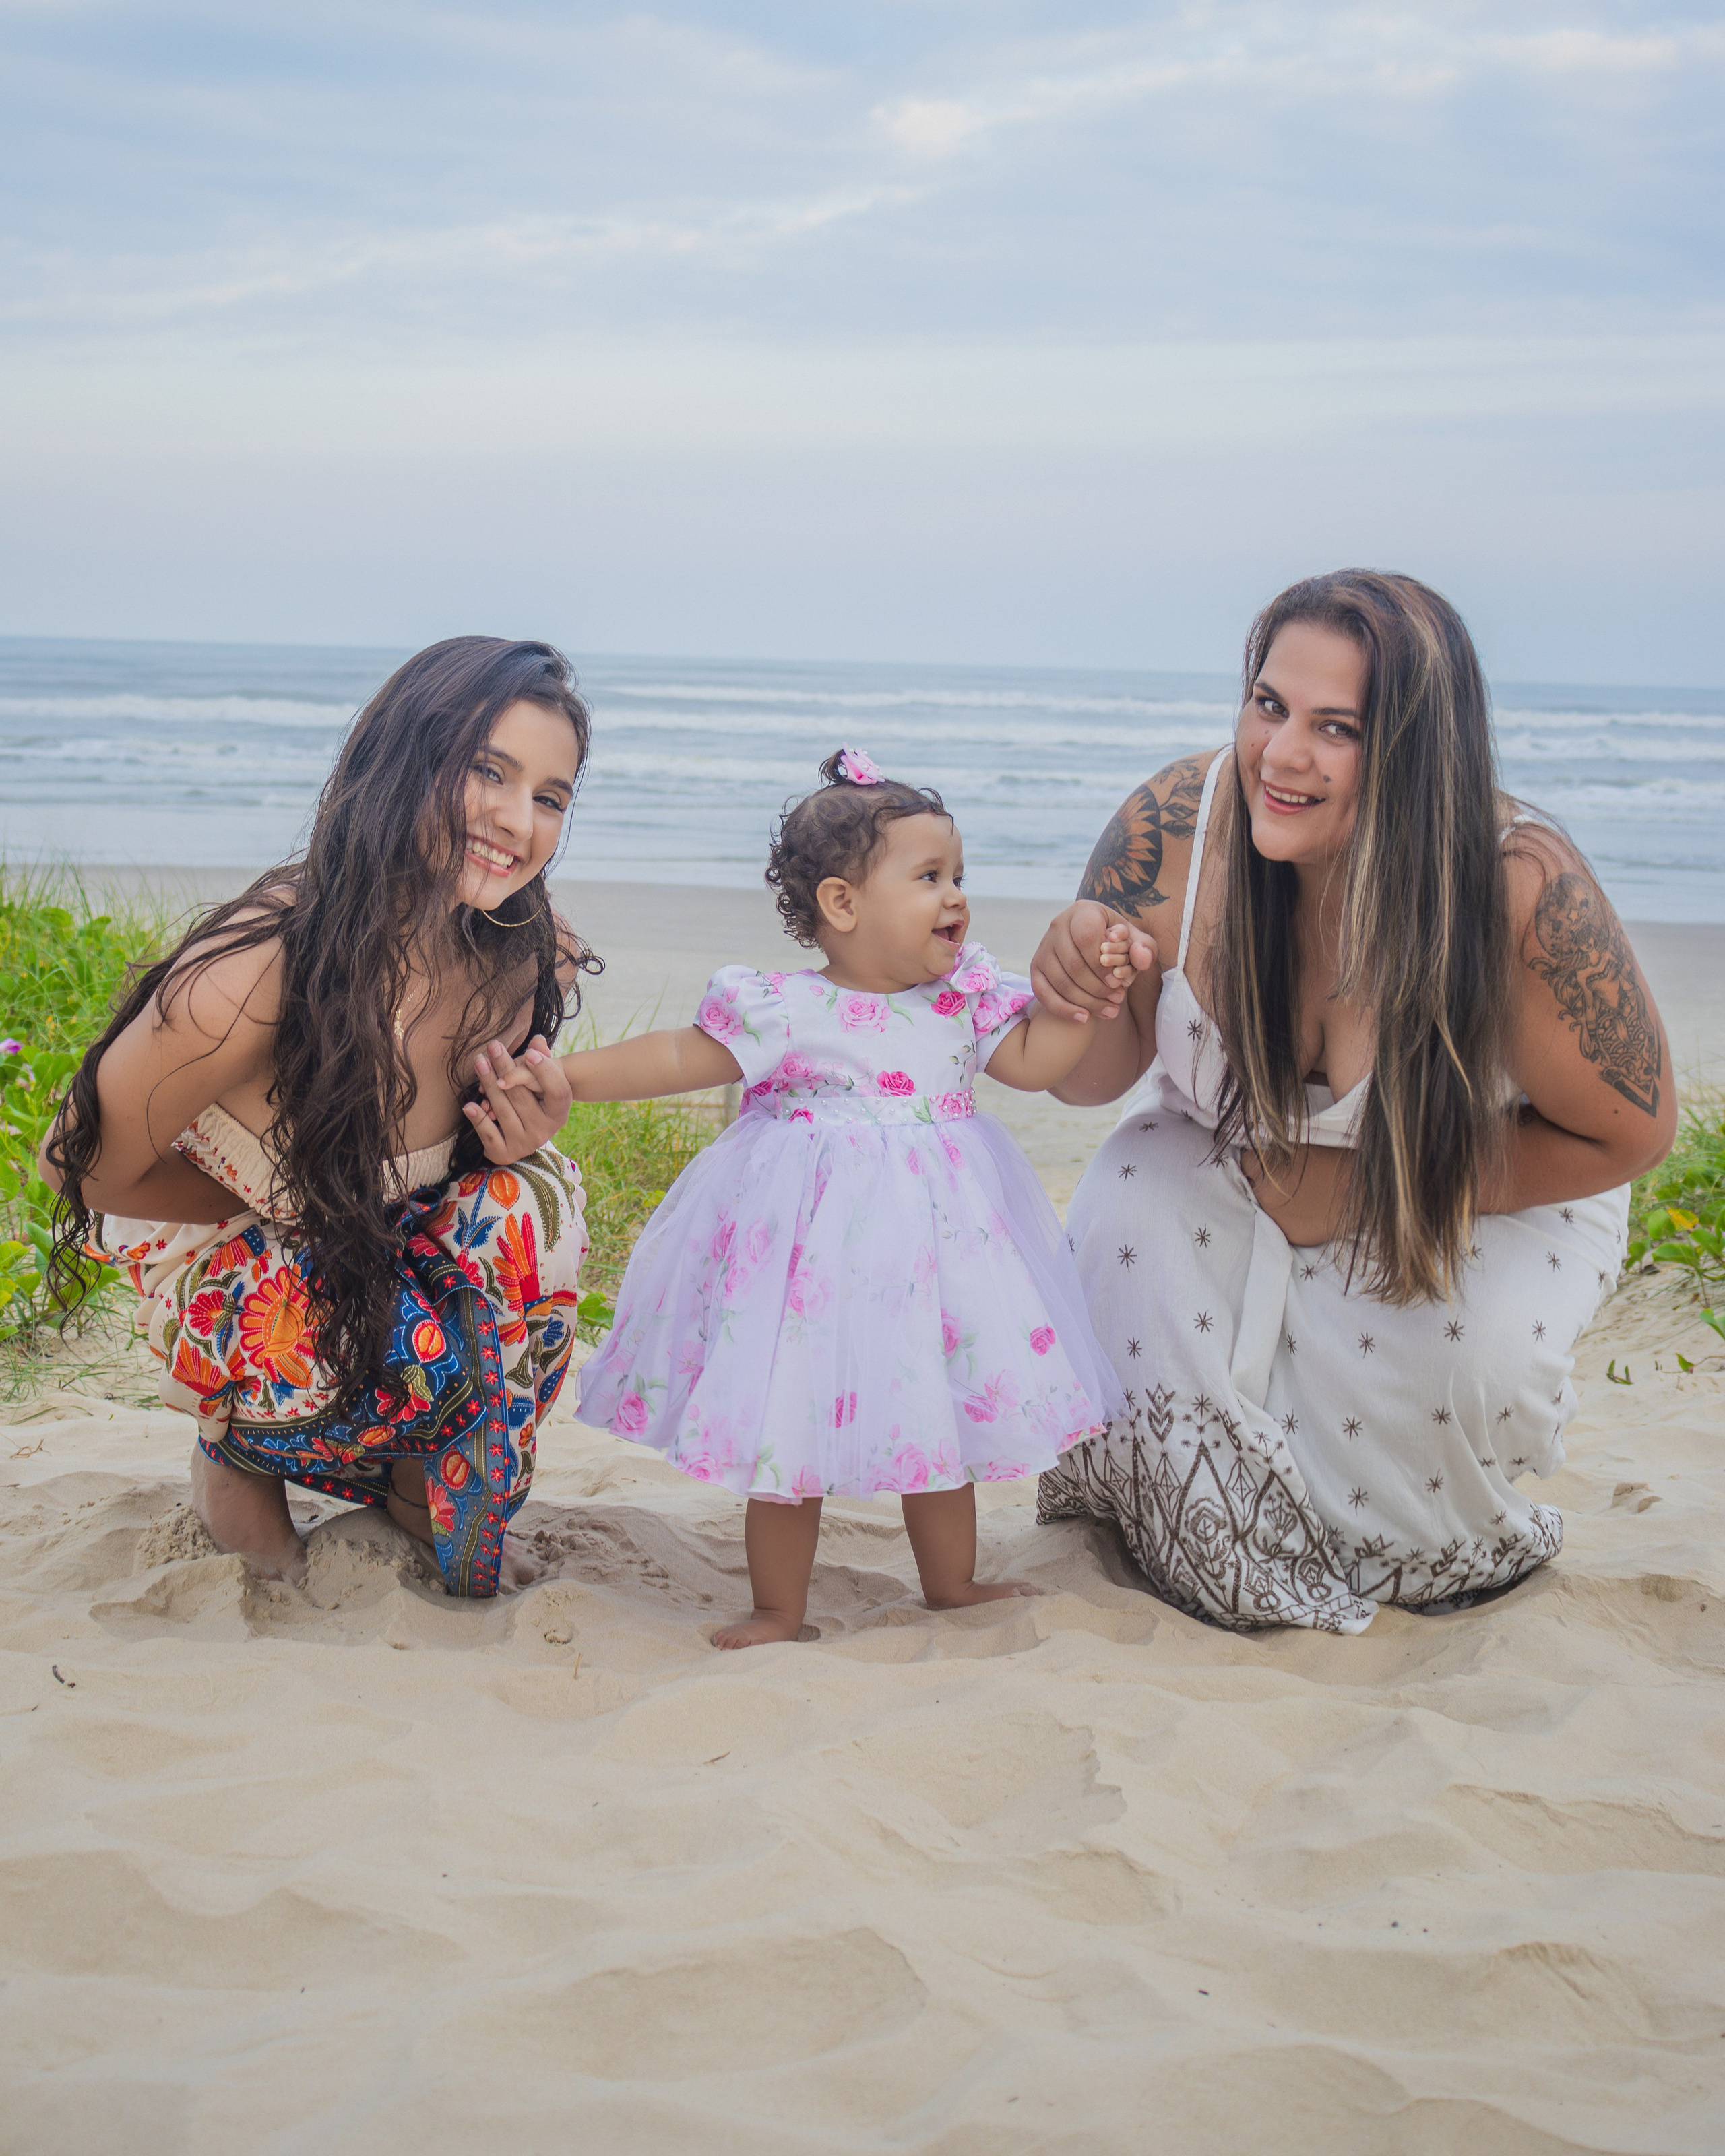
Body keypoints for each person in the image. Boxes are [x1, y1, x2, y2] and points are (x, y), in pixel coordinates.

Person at [1027, 571, 1676, 1631]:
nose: (1281, 754)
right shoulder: (1176, 824)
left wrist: (1368, 1188)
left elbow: (1632, 1131)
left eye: (1339, 728)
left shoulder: (1516, 886)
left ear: (1419, 750)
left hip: (1463, 1179)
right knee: (1127, 1226)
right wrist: (1073, 983)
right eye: (1269, 705)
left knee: (1459, 1363)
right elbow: (1087, 1078)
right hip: (1222, 1160)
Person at [487, 747, 1131, 1647]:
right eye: (930, 877)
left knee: (938, 1416)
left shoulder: (964, 999)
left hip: (935, 1262)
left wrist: (1077, 1004)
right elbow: (676, 1057)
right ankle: (778, 1608)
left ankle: (953, 1582)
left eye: (960, 876)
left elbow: (1033, 1064)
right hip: (809, 1271)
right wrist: (566, 1079)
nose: (956, 897)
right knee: (786, 1430)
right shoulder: (783, 1009)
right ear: (843, 903)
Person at [42, 637, 594, 1596]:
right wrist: (273, 1199)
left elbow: (455, 1166)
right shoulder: (254, 974)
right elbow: (75, 1163)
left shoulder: (525, 956)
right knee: (314, 1319)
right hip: (240, 1246)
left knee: (528, 1206)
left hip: (384, 1234)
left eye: (550, 797)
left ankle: (408, 1472)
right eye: (487, 772)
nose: (518, 822)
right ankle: (236, 1454)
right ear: (402, 762)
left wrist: (515, 1138)